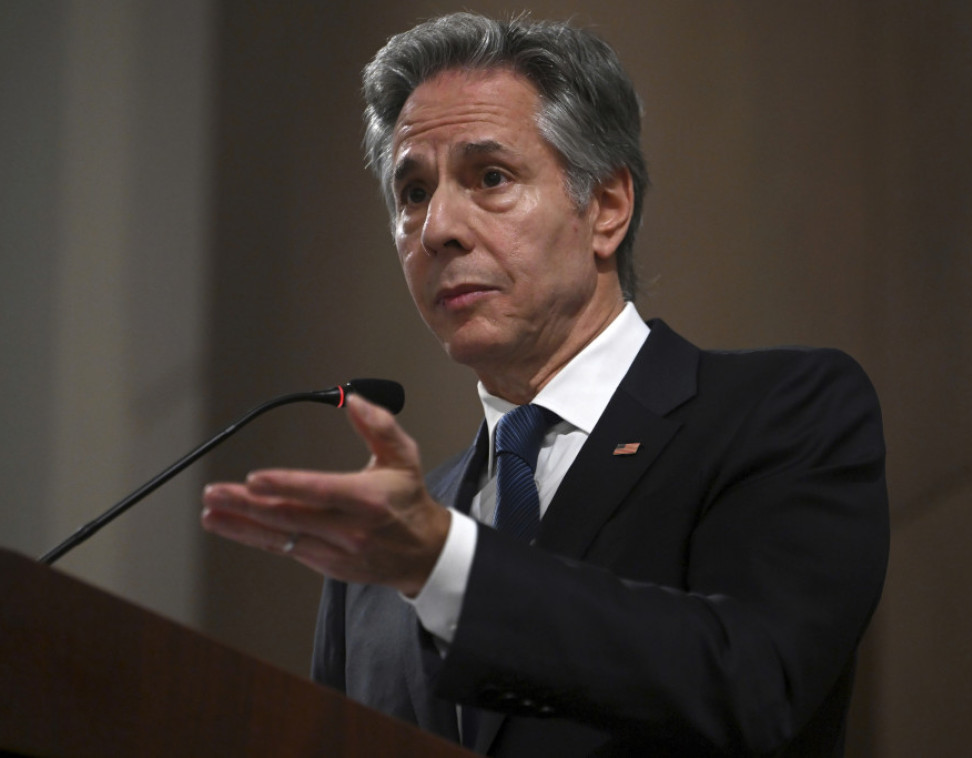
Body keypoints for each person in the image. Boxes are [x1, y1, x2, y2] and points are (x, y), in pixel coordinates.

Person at [201, 12, 889, 757]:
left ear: (607, 208)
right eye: (413, 192)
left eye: (490, 178)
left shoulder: (780, 411)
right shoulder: (374, 565)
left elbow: (755, 682)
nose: (437, 228)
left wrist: (447, 567)